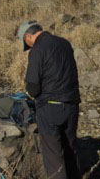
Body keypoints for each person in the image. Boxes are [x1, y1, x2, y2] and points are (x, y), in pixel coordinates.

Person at [18, 20, 80, 179]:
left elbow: (33, 87)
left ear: (28, 36)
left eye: (26, 43)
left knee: (54, 156)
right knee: (70, 150)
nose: (28, 46)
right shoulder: (65, 43)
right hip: (72, 104)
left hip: (50, 109)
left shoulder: (37, 50)